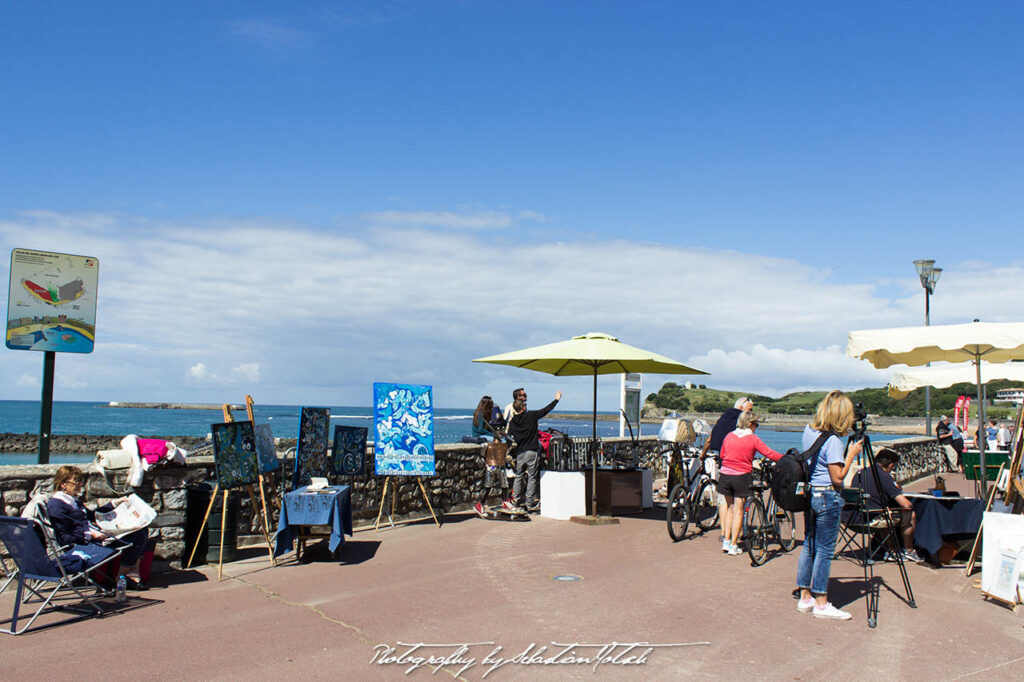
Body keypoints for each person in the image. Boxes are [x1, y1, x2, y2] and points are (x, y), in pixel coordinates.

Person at [795, 390, 862, 621]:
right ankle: (821, 602)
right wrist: (851, 453)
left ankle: (805, 597)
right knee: (824, 550)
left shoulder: (809, 430)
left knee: (809, 545)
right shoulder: (833, 441)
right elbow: (838, 477)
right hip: (827, 497)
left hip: (811, 495)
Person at [46, 465, 150, 590]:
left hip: (94, 537)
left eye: (81, 482)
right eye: (76, 482)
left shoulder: (72, 500)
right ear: (63, 484)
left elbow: (92, 516)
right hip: (85, 545)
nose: (80, 485)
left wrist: (114, 504)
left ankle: (128, 573)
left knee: (141, 528)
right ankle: (123, 575)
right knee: (138, 536)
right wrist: (91, 535)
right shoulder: (57, 506)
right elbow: (65, 538)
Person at [718, 412, 783, 555]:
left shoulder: (729, 436)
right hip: (741, 476)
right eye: (756, 425)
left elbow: (722, 455)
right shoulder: (753, 439)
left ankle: (726, 541)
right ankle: (734, 546)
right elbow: (769, 453)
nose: (756, 427)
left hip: (725, 474)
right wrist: (785, 459)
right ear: (750, 424)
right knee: (739, 511)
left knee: (729, 508)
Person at [846, 448, 923, 563]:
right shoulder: (883, 476)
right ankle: (907, 550)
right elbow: (906, 504)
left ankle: (887, 549)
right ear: (891, 465)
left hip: (850, 517)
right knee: (909, 514)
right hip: (870, 519)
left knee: (882, 512)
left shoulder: (860, 473)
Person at [507, 390, 562, 512]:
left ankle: (515, 500)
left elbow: (509, 436)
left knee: (518, 476)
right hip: (531, 451)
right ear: (523, 407)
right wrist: (557, 400)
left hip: (520, 452)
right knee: (532, 477)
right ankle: (529, 502)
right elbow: (545, 410)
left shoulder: (512, 421)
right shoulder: (531, 416)